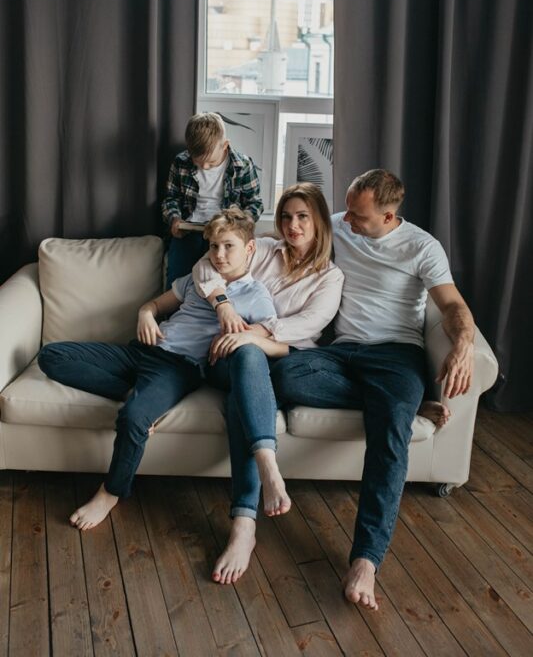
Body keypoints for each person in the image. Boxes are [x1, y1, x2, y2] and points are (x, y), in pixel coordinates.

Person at [270, 169, 475, 611]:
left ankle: (366, 559)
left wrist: (463, 345)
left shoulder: (422, 247)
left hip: (396, 355)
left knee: (389, 434)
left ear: (388, 216)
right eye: (346, 211)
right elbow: (290, 236)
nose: (346, 222)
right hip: (341, 352)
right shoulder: (339, 225)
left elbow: (453, 306)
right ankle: (404, 404)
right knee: (286, 375)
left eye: (358, 217)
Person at [38, 209, 276, 530]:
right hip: (143, 351)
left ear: (249, 248)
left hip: (178, 368)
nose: (219, 255)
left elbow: (269, 335)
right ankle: (130, 392)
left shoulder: (255, 294)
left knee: (133, 417)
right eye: (213, 246)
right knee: (52, 355)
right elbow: (154, 305)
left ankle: (111, 492)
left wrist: (241, 335)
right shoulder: (198, 277)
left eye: (228, 246)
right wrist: (145, 315)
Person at [192, 183, 344, 585]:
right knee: (246, 359)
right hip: (229, 355)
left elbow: (310, 324)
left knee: (246, 379)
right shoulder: (260, 249)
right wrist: (223, 304)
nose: (293, 225)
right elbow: (204, 266)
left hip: (284, 358)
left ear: (320, 221)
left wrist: (256, 333)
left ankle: (244, 524)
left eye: (303, 216)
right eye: (286, 216)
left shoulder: (330, 277)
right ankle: (266, 469)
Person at [161, 112, 263, 288]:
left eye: (210, 162)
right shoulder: (181, 162)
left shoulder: (243, 165)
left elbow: (254, 203)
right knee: (177, 281)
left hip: (224, 231)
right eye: (198, 162)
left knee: (220, 284)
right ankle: (175, 307)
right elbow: (171, 199)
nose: (204, 167)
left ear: (225, 146)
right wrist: (174, 219)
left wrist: (245, 220)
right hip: (189, 231)